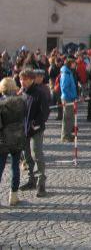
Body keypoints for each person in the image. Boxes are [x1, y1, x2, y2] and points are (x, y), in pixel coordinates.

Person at [19, 68, 48, 197]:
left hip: (36, 130)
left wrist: (34, 125)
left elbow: (45, 112)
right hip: (24, 130)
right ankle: (31, 180)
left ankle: (41, 184)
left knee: (37, 155)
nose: (22, 81)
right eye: (21, 79)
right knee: (27, 156)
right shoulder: (23, 93)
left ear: (31, 79)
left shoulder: (39, 93)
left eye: (25, 79)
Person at [0, 77, 27, 206]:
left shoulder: (1, 103)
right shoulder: (21, 101)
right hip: (17, 137)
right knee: (15, 166)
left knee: (0, 167)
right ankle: (13, 196)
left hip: (3, 139)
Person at [60, 58, 78, 142]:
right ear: (70, 64)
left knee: (70, 117)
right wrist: (72, 96)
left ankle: (68, 134)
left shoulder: (69, 72)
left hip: (70, 97)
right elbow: (64, 88)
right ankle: (65, 136)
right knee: (67, 118)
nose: (75, 64)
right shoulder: (65, 73)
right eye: (74, 63)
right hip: (67, 98)